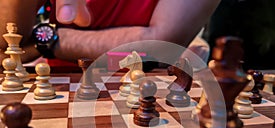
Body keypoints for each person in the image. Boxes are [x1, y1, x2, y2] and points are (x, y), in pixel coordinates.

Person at [0, 0, 220, 64]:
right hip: (54, 91)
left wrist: (46, 39)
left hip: (143, 98)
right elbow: (7, 40)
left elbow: (161, 46)